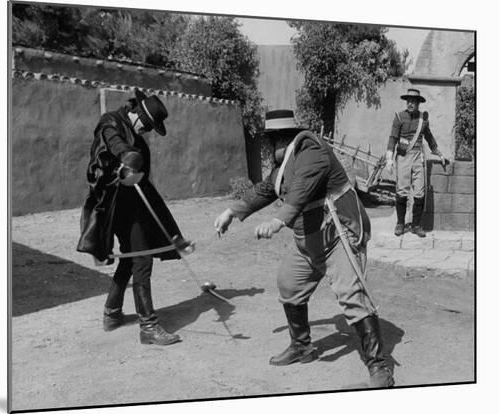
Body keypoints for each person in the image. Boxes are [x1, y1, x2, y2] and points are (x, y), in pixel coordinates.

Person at [214, 119, 395, 388]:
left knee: (352, 296)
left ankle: (379, 365)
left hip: (337, 235)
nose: (268, 147)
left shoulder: (311, 151)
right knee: (289, 284)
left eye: (270, 141)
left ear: (282, 138)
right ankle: (302, 347)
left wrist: (277, 221)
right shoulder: (285, 164)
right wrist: (233, 211)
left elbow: (300, 192)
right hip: (307, 239)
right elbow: (268, 189)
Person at [77, 89, 192, 346]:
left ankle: (112, 314)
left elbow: (146, 187)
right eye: (148, 125)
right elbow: (115, 143)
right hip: (111, 206)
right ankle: (149, 327)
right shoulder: (110, 122)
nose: (148, 131)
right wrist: (126, 157)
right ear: (138, 114)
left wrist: (175, 234)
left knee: (129, 259)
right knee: (142, 259)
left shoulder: (139, 141)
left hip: (133, 206)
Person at [385, 89, 447, 238]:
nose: (410, 103)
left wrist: (439, 153)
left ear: (418, 103)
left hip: (418, 157)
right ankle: (400, 223)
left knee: (419, 191)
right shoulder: (399, 117)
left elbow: (429, 138)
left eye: (414, 101)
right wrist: (389, 158)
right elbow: (393, 138)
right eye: (409, 100)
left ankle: (416, 225)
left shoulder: (422, 120)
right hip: (403, 156)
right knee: (402, 190)